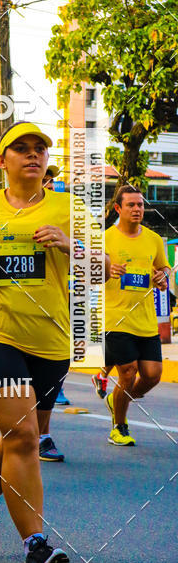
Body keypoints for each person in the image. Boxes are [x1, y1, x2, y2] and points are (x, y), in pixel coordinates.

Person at [0, 122, 109, 563]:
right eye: (21, 149)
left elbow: (105, 269)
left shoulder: (68, 207)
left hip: (51, 341)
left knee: (18, 435)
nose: (32, 155)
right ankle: (36, 547)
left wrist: (69, 245)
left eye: (39, 149)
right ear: (3, 160)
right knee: (24, 436)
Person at [104, 185, 170, 447]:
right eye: (131, 205)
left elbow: (164, 268)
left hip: (145, 319)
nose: (137, 209)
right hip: (116, 317)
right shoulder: (104, 238)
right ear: (118, 208)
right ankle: (119, 427)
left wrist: (163, 277)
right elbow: (88, 273)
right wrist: (106, 270)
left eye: (140, 205)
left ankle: (118, 398)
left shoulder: (153, 239)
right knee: (128, 372)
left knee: (153, 375)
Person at [43, 168, 70, 409]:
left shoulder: (68, 210)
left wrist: (70, 245)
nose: (49, 186)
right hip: (1, 325)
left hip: (57, 306)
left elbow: (100, 264)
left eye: (50, 181)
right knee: (20, 422)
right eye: (44, 182)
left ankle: (57, 387)